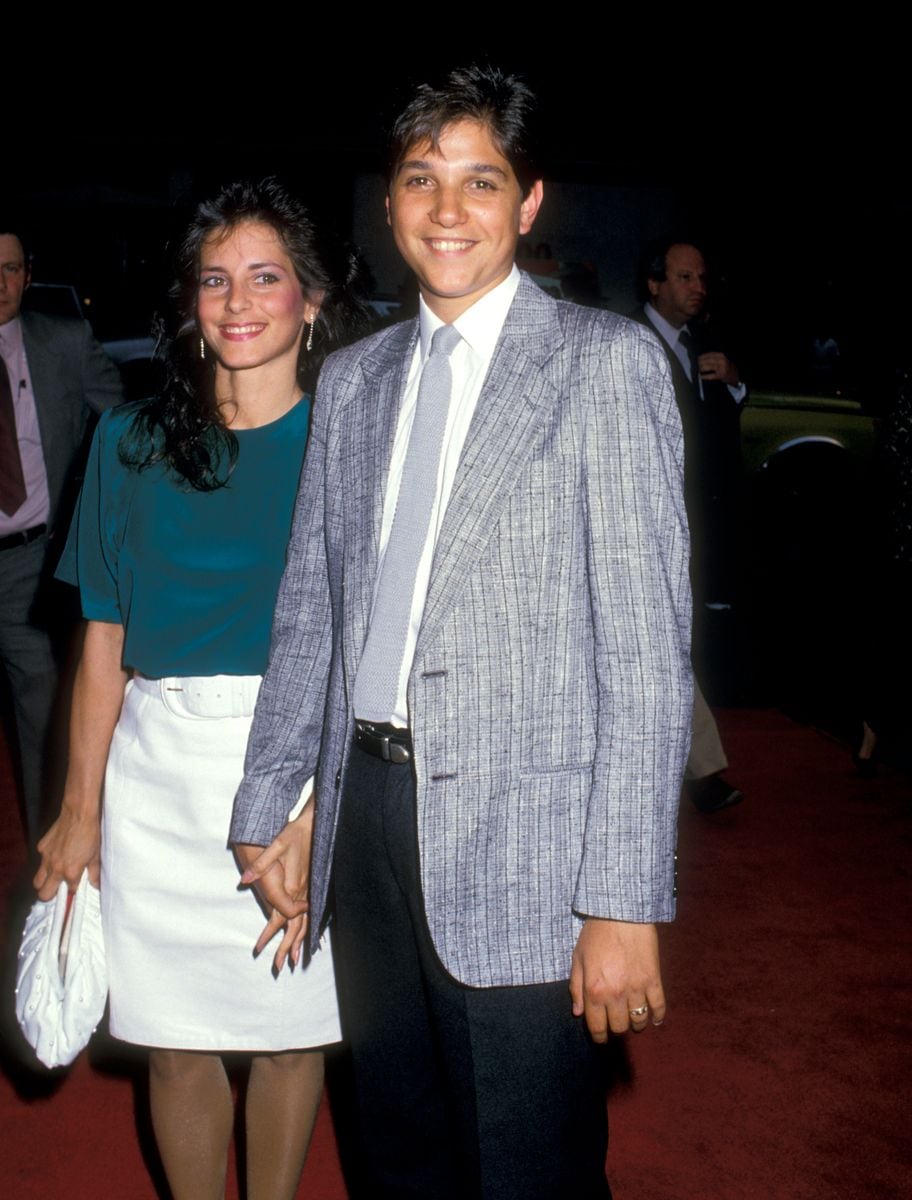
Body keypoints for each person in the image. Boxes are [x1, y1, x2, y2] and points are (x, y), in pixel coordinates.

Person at [232, 68, 692, 1199]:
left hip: (533, 845)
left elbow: (645, 658)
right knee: (400, 1160)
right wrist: (272, 799)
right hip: (370, 827)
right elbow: (312, 614)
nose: (447, 210)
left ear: (528, 203)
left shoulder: (606, 367)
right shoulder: (351, 382)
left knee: (527, 1169)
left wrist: (624, 899)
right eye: (421, 180)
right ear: (386, 204)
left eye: (480, 181)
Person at [33, 179, 365, 1200]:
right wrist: (77, 813)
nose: (237, 301)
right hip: (161, 776)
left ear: (311, 300)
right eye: (215, 280)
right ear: (189, 304)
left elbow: (370, 647)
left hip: (301, 764)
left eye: (265, 277)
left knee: (287, 1033)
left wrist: (318, 805)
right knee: (175, 1041)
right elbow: (102, 647)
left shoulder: (354, 448)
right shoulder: (129, 444)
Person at [0, 220, 122, 841]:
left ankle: (53, 845)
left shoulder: (64, 343)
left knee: (42, 712)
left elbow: (127, 426)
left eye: (12, 268)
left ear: (28, 275)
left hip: (27, 561)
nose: (1, 283)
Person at [633, 239, 745, 813]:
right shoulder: (630, 342)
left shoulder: (700, 346)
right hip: (640, 520)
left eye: (701, 276)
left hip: (688, 519)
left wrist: (734, 383)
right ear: (654, 285)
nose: (697, 286)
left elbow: (709, 436)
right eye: (683, 277)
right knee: (663, 644)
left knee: (668, 643)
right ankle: (700, 774)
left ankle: (696, 773)